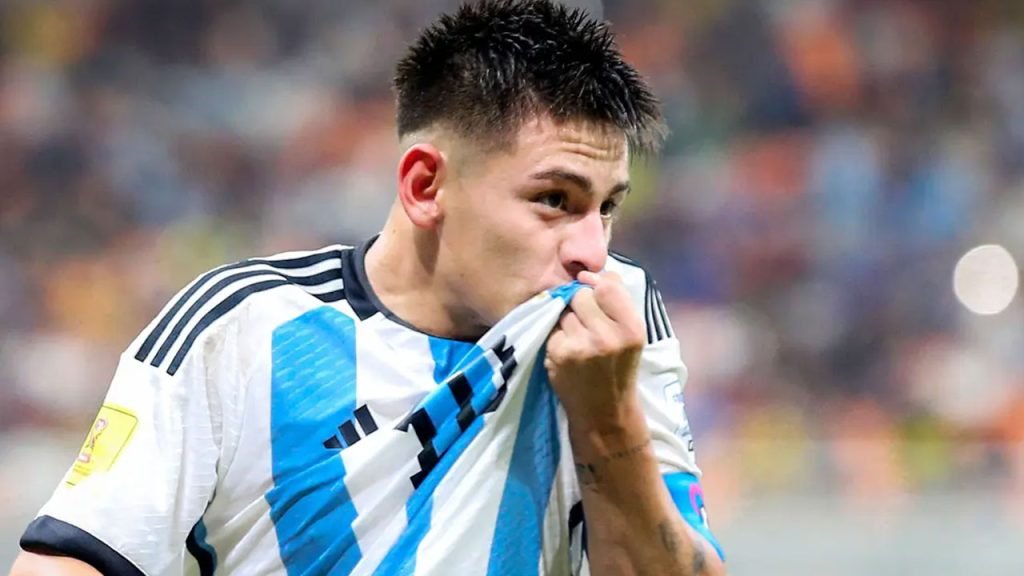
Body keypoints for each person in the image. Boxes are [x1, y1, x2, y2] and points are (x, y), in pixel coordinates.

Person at [11, 0, 726, 574]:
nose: (591, 250)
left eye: (607, 206)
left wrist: (607, 420)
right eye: (554, 200)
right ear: (425, 185)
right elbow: (66, 563)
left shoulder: (618, 316)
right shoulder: (242, 326)